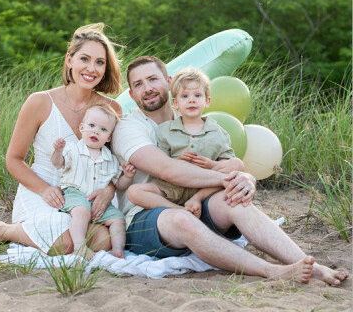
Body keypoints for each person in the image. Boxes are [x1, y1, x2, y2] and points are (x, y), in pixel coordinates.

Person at [112, 55, 349, 285]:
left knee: (233, 199)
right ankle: (272, 271)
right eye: (138, 84)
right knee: (183, 218)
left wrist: (244, 178)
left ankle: (312, 267)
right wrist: (229, 178)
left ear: (169, 81)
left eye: (153, 79)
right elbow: (168, 169)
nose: (147, 88)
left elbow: (224, 158)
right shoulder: (128, 128)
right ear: (132, 94)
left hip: (195, 200)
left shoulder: (191, 114)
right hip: (146, 215)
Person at [0, 23, 124, 256]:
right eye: (84, 59)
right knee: (65, 244)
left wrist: (108, 190)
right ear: (69, 60)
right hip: (44, 187)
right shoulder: (40, 102)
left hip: (87, 192)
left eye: (99, 62)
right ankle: (3, 230)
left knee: (105, 240)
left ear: (105, 69)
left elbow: (114, 163)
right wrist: (44, 190)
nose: (91, 68)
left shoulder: (112, 109)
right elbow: (14, 159)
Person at [127, 67, 242, 218]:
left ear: (207, 101)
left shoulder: (218, 132)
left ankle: (197, 200)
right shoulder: (165, 131)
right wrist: (177, 161)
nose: (192, 100)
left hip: (206, 186)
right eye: (185, 96)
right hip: (173, 187)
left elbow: (227, 166)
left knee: (237, 164)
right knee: (134, 192)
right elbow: (162, 166)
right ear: (175, 103)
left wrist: (211, 165)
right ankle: (180, 210)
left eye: (197, 95)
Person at [51, 104, 136, 259]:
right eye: (91, 125)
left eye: (103, 129)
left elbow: (119, 185)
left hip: (99, 201)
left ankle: (118, 250)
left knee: (118, 219)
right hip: (74, 192)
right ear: (82, 127)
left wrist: (128, 177)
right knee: (81, 211)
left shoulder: (110, 159)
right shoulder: (72, 148)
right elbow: (57, 164)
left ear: (109, 137)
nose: (96, 131)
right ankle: (79, 247)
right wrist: (58, 151)